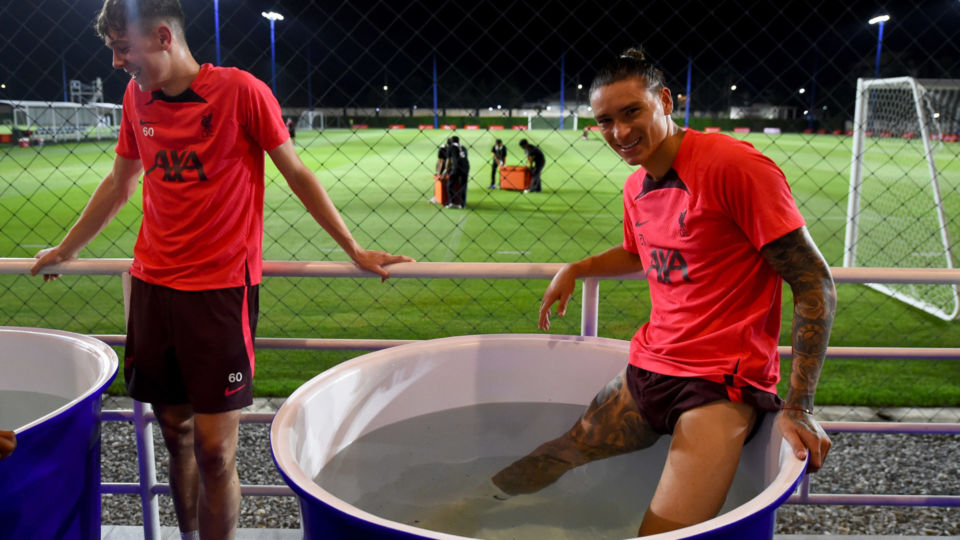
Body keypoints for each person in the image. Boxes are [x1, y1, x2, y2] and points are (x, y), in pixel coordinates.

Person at [29, 1, 413, 538]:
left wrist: (353, 248)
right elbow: (120, 184)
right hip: (152, 288)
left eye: (123, 48)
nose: (117, 63)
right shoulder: (136, 98)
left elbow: (297, 173)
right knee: (174, 433)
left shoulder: (241, 92)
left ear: (163, 36)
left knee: (214, 450)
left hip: (219, 294)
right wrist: (65, 248)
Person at [491, 47, 835, 535]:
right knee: (554, 456)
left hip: (720, 386)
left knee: (662, 534)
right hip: (648, 369)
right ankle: (459, 514)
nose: (620, 132)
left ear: (666, 102)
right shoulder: (637, 186)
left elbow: (812, 281)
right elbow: (640, 251)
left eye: (632, 112)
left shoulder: (732, 167)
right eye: (605, 120)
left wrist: (800, 406)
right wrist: (579, 267)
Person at [444, 135, 469, 209]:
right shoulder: (463, 147)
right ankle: (462, 204)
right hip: (466, 167)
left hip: (457, 168)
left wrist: (446, 170)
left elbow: (448, 160)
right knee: (463, 186)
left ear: (451, 141)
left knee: (450, 185)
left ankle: (451, 202)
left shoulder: (450, 147)